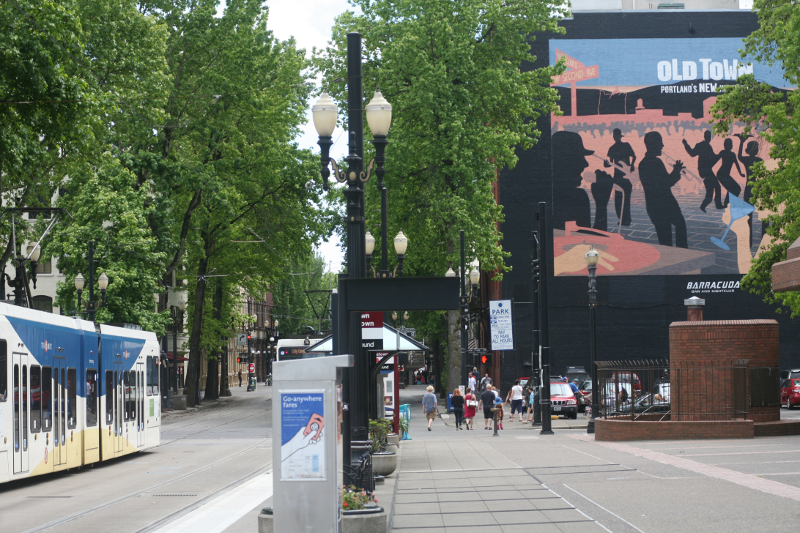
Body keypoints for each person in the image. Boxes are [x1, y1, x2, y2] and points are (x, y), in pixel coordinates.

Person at [640, 131, 688, 248]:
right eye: (659, 143)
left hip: (654, 206)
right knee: (680, 225)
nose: (662, 145)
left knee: (665, 239)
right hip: (665, 205)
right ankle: (683, 255)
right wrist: (676, 171)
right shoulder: (655, 163)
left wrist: (675, 172)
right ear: (653, 144)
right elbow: (666, 183)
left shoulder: (644, 163)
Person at [552, 131, 593, 230]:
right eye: (578, 157)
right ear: (563, 161)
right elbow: (587, 242)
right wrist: (602, 206)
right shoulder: (577, 197)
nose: (585, 163)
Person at [683, 130, 722, 212]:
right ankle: (716, 204)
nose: (709, 138)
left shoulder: (706, 146)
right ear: (706, 137)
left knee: (710, 190)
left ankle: (704, 205)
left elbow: (712, 157)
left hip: (705, 170)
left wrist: (719, 156)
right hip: (705, 170)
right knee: (716, 187)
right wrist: (686, 144)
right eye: (708, 136)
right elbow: (692, 153)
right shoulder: (702, 145)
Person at [736, 133, 764, 248]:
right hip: (758, 188)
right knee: (763, 215)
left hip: (749, 188)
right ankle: (764, 237)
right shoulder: (759, 160)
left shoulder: (747, 160)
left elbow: (739, 156)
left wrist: (741, 141)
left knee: (748, 216)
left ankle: (749, 242)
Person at [605, 128, 636, 226]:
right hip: (617, 177)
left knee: (626, 199)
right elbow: (609, 164)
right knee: (618, 200)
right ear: (613, 137)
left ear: (620, 136)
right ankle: (622, 219)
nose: (616, 138)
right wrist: (606, 164)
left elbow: (634, 156)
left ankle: (626, 219)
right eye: (615, 136)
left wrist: (631, 165)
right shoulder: (612, 148)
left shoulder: (626, 145)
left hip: (626, 177)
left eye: (618, 136)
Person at [716, 137, 744, 207]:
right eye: (727, 145)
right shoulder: (723, 152)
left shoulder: (732, 154)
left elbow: (737, 164)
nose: (729, 146)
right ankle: (727, 203)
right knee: (732, 188)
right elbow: (715, 160)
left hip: (726, 175)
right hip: (721, 174)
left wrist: (740, 173)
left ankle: (727, 203)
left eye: (730, 145)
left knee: (737, 188)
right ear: (724, 145)